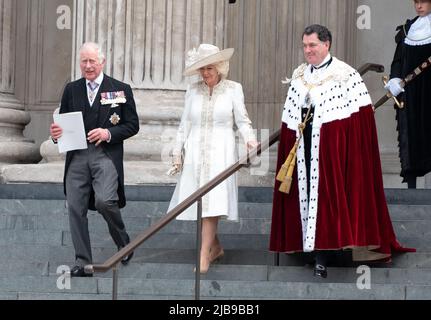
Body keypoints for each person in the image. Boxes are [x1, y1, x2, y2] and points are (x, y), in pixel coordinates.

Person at [270, 25, 415, 279]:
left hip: (331, 152)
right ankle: (308, 251)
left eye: (312, 45)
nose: (307, 51)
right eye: (304, 46)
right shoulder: (299, 74)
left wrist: (345, 150)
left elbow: (360, 124)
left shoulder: (345, 75)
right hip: (302, 150)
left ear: (326, 44)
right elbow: (290, 118)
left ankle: (323, 257)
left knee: (327, 201)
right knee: (304, 198)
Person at [50, 42, 139, 277]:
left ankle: (124, 242)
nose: (88, 66)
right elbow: (62, 123)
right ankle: (82, 261)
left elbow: (133, 125)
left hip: (105, 154)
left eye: (92, 61)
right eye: (84, 61)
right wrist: (55, 134)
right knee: (75, 207)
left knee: (104, 201)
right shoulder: (71, 89)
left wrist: (108, 133)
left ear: (102, 62)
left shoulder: (120, 89)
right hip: (77, 155)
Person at [168, 44, 257, 274]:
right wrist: (177, 150)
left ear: (219, 67)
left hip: (221, 152)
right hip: (196, 152)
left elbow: (243, 120)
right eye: (201, 69)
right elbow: (184, 123)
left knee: (212, 202)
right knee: (200, 202)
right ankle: (215, 247)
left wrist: (250, 140)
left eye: (209, 68)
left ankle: (203, 254)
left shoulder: (233, 89)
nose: (205, 73)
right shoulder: (192, 91)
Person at [386, 0, 431, 189]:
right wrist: (395, 79)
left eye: (424, 2)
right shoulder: (407, 29)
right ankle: (411, 185)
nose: (419, 6)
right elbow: (397, 60)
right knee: (410, 132)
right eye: (416, 2)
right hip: (410, 91)